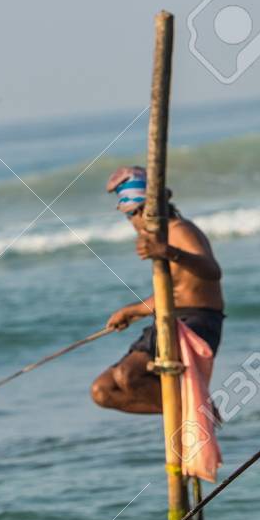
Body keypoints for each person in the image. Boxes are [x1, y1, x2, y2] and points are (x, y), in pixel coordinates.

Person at [90, 166, 224, 414]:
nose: (132, 223)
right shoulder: (162, 237)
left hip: (197, 320)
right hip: (170, 316)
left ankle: (198, 411)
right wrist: (132, 312)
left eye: (132, 215)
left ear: (143, 211)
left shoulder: (178, 230)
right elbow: (175, 291)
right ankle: (190, 411)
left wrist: (168, 252)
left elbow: (212, 271)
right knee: (103, 389)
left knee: (129, 374)